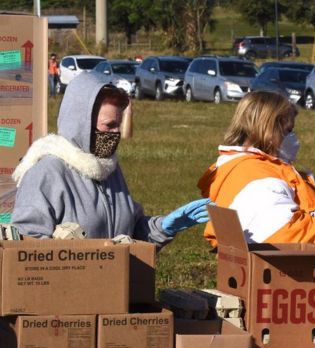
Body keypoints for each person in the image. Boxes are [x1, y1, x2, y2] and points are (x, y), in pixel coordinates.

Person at [11, 72, 210, 247]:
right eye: (110, 125)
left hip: (113, 286)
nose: (116, 132)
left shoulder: (108, 169)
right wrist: (75, 258)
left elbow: (130, 234)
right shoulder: (46, 173)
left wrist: (163, 227)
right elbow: (27, 244)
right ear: (82, 125)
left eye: (118, 124)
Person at [198, 91, 315, 248]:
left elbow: (310, 215)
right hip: (287, 287)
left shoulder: (267, 168)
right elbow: (288, 231)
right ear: (266, 128)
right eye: (288, 131)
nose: (293, 138)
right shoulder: (256, 177)